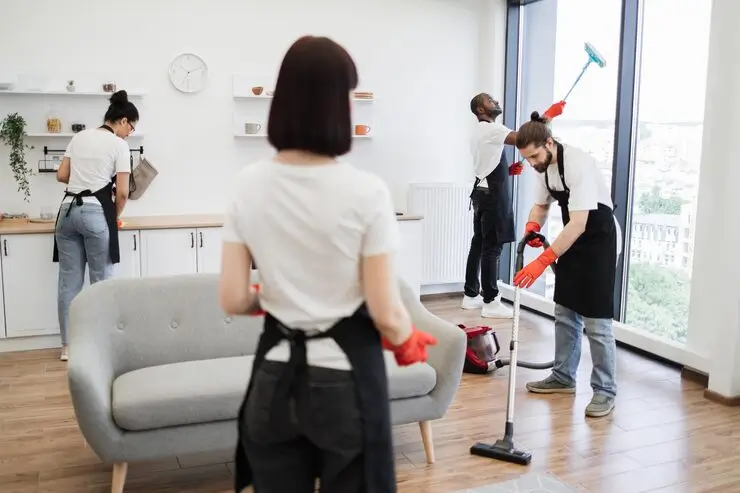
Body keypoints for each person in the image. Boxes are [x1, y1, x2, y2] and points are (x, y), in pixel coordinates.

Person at [220, 35, 437, 493]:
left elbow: (233, 298)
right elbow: (385, 310)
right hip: (344, 384)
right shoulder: (366, 192)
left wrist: (271, 298)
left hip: (273, 378)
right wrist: (407, 340)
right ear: (337, 105)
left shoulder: (246, 184)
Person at [512, 111, 618, 418]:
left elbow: (581, 222)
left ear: (549, 143)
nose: (532, 163)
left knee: (596, 321)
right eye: (527, 159)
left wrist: (544, 260)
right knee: (565, 311)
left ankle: (605, 390)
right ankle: (563, 376)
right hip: (573, 237)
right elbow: (541, 205)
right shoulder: (543, 168)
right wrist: (532, 227)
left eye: (534, 156)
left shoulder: (578, 163)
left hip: (597, 238)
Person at [463, 93, 565, 318]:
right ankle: (491, 302)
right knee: (492, 247)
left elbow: (486, 162)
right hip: (492, 196)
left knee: (479, 244)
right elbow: (526, 139)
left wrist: (507, 172)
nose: (496, 102)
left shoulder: (478, 131)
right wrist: (548, 115)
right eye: (490, 101)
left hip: (481, 192)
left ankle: (470, 295)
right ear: (480, 110)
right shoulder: (492, 129)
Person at [53, 90, 137, 362]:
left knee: (69, 283)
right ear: (122, 121)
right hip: (95, 213)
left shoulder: (79, 137)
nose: (130, 134)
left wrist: (84, 179)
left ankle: (67, 347)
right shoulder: (119, 145)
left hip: (66, 212)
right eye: (131, 128)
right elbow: (122, 192)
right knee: (101, 282)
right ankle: (103, 344)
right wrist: (114, 216)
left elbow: (62, 175)